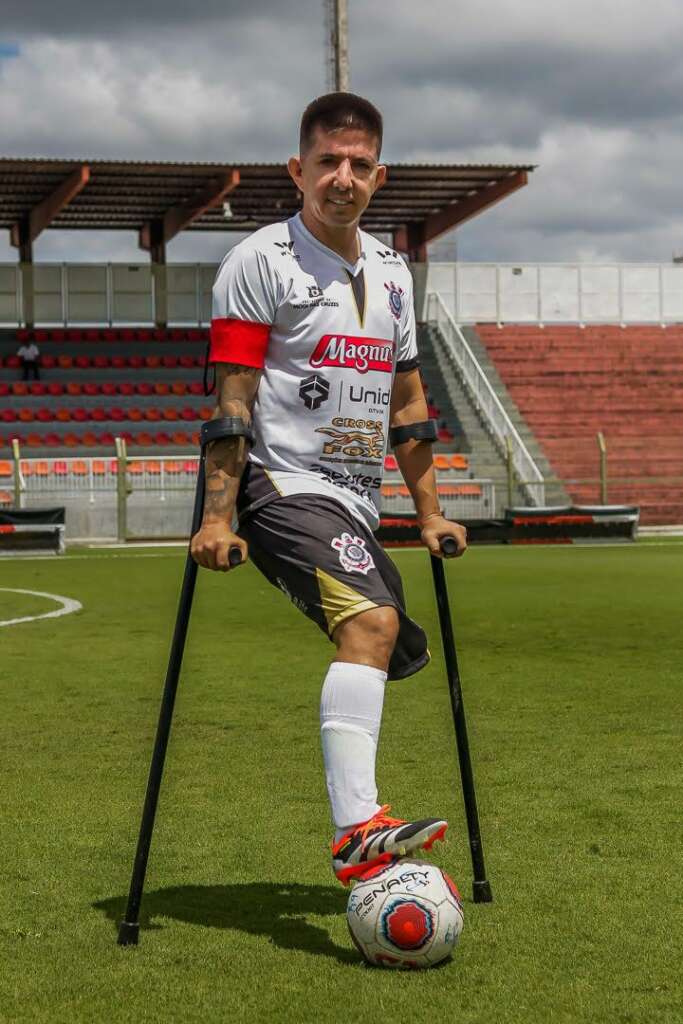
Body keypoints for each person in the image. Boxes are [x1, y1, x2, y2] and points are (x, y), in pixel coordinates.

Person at [191, 92, 467, 885]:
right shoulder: (258, 262)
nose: (340, 179)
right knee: (372, 623)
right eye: (325, 163)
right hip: (278, 484)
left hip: (351, 495)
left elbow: (409, 404)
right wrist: (217, 518)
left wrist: (429, 511)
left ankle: (361, 828)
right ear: (297, 170)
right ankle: (356, 829)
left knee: (378, 639)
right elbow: (232, 401)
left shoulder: (391, 274)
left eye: (356, 165)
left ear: (378, 177)